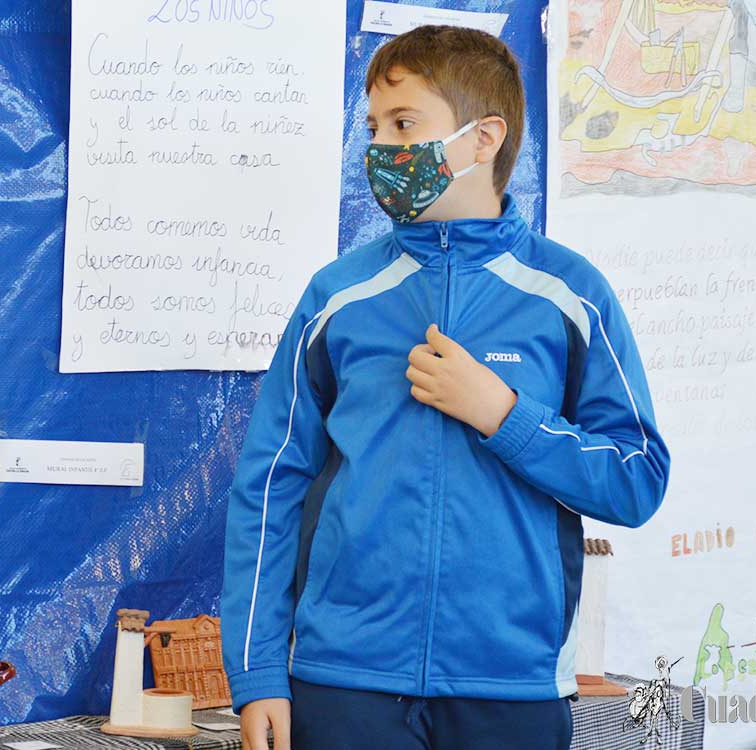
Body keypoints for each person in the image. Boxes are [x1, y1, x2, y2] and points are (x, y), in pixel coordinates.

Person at [220, 26, 672, 750]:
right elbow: (269, 485)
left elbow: (637, 480)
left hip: (511, 685)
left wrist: (504, 415)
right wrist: (259, 671)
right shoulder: (338, 296)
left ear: (483, 138)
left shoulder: (569, 294)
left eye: (404, 125)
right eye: (372, 127)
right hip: (343, 681)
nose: (381, 150)